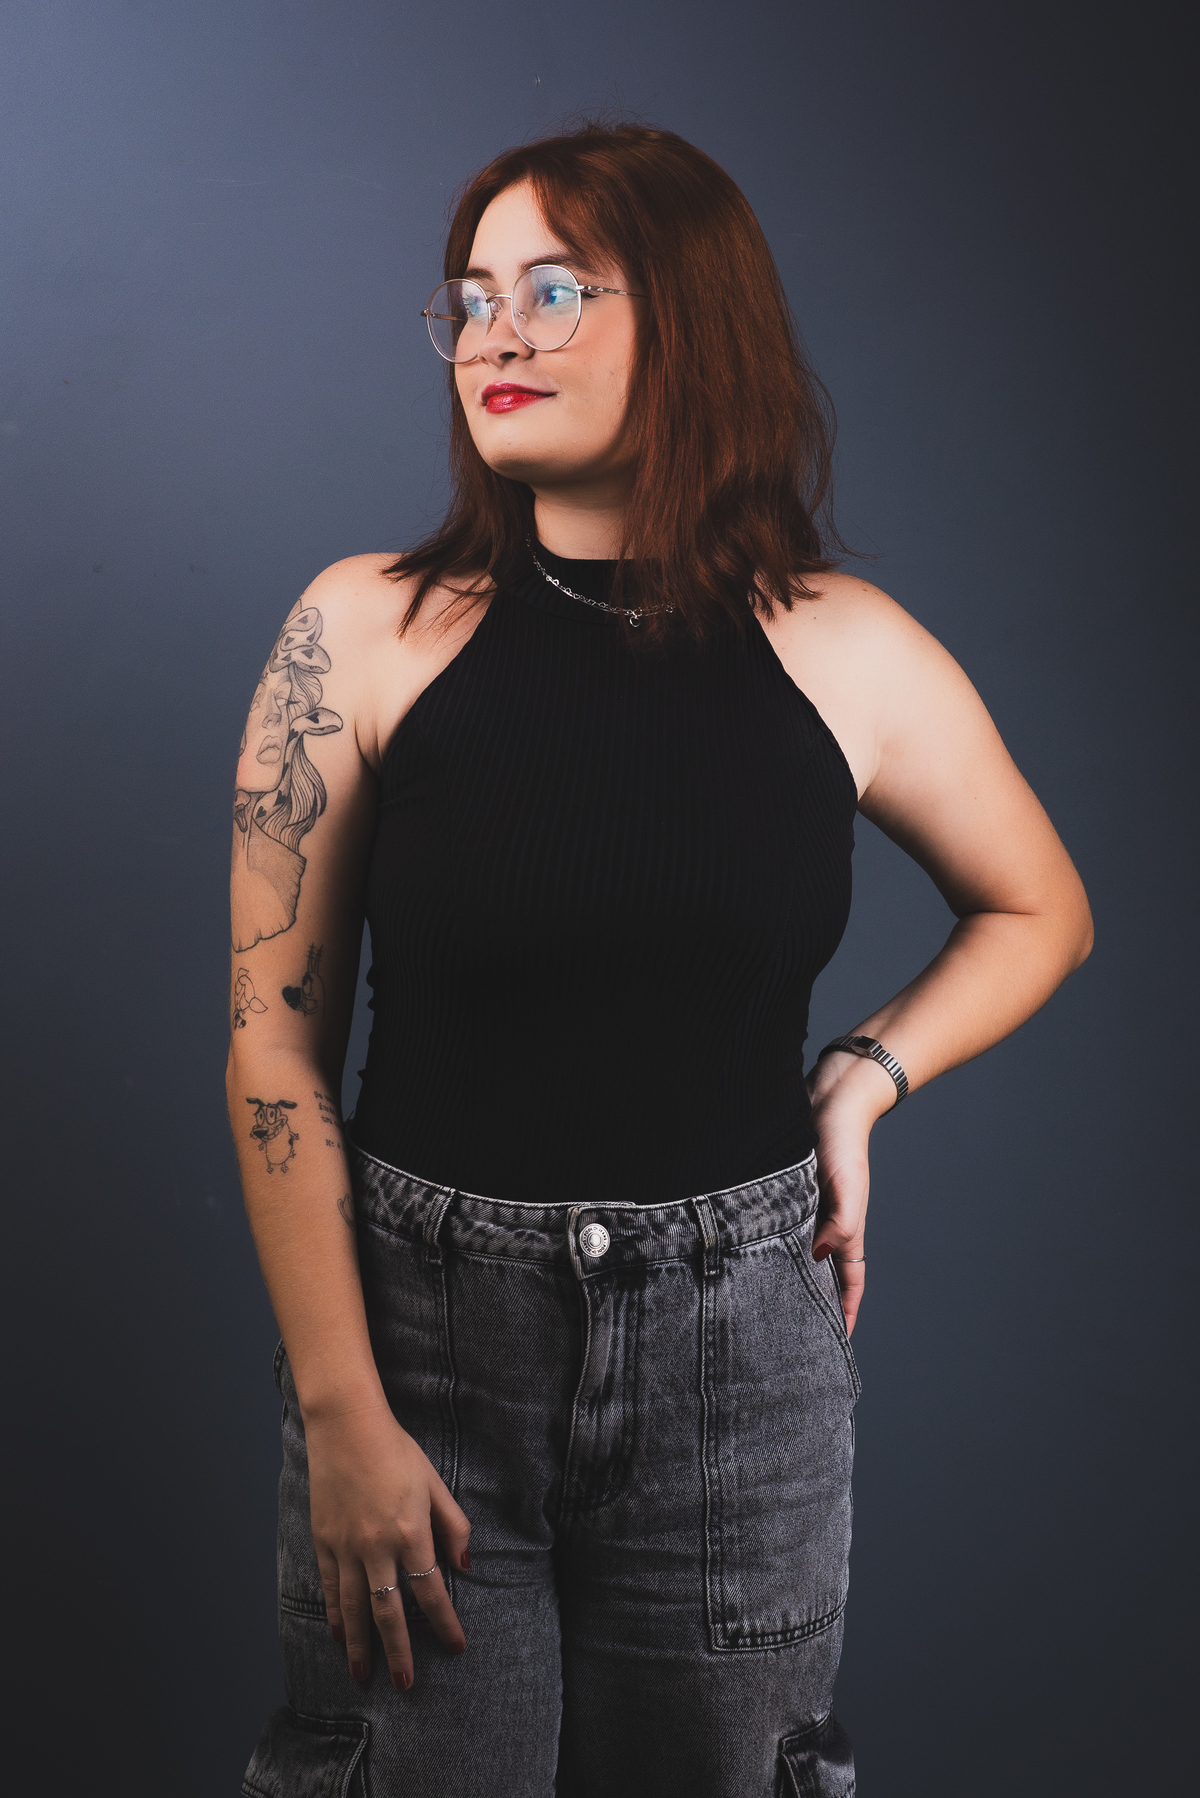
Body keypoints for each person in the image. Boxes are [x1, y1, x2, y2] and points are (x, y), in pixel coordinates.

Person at [231, 123, 1092, 1798]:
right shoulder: (362, 631)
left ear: (694, 318)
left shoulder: (847, 648)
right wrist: (340, 1410)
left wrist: (866, 1074)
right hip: (420, 1348)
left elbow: (1040, 906)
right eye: (472, 295)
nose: (494, 332)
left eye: (555, 289)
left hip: (741, 1365)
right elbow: (274, 1047)